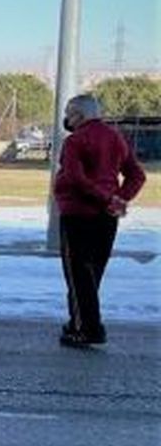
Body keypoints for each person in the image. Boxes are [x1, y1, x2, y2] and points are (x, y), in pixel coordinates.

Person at [53, 94, 146, 348]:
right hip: (106, 217)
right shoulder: (116, 137)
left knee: (78, 274)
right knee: (93, 272)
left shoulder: (75, 141)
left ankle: (88, 328)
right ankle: (79, 322)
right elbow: (136, 174)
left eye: (69, 114)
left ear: (79, 116)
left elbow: (74, 178)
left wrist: (106, 199)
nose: (67, 120)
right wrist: (120, 198)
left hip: (78, 213)